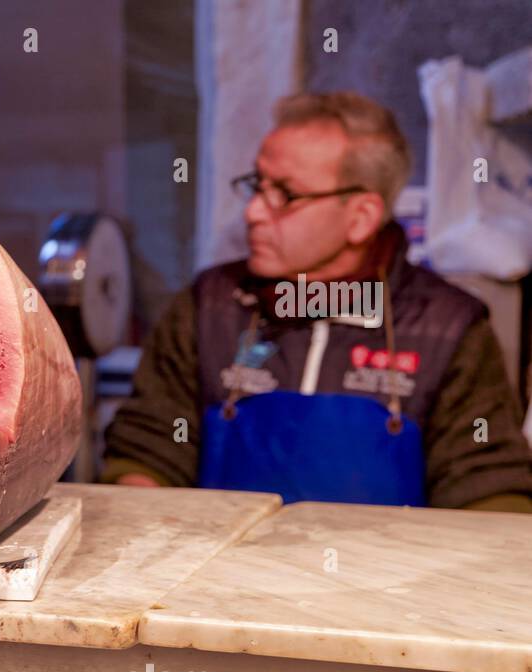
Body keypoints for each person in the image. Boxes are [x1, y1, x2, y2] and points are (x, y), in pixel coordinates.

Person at [101, 91, 532, 511]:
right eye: (257, 185)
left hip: (387, 582)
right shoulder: (210, 306)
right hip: (218, 578)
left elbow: (487, 483)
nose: (253, 212)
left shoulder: (448, 326)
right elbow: (149, 448)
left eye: (285, 194)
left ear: (360, 217)